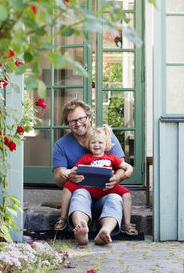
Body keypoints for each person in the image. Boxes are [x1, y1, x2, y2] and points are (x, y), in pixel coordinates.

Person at [53, 99, 138, 245]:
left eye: (81, 119)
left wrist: (116, 179)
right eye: (72, 121)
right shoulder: (61, 145)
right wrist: (69, 175)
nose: (78, 124)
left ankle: (104, 232)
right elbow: (59, 176)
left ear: (89, 118)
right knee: (80, 194)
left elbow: (121, 166)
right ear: (67, 124)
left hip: (106, 191)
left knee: (115, 199)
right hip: (82, 193)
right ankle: (82, 230)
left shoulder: (106, 137)